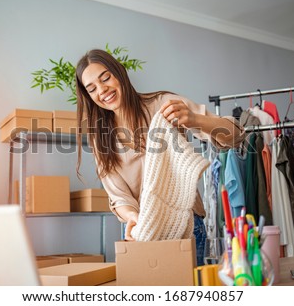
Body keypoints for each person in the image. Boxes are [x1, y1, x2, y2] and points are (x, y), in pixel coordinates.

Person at [75, 49, 244, 266]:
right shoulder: (100, 137)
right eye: (92, 89)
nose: (102, 90)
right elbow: (118, 195)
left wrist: (195, 120)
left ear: (120, 72)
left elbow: (236, 135)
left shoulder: (163, 104)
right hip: (145, 234)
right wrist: (132, 218)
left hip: (187, 225)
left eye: (105, 77)